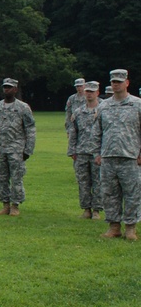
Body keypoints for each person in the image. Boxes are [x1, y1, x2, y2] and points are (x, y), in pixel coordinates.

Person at [86, 69, 141, 241]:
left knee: (132, 193)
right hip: (108, 157)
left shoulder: (137, 104)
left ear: (127, 83)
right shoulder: (104, 106)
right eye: (113, 82)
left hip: (131, 157)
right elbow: (96, 132)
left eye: (119, 81)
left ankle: (130, 228)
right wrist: (97, 153)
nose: (115, 84)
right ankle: (114, 226)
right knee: (109, 194)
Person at [0, 78, 36, 216]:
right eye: (5, 87)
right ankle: (5, 205)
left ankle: (15, 205)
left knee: (16, 178)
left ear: (15, 89)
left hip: (16, 149)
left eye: (9, 87)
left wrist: (28, 149)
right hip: (0, 149)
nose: (6, 89)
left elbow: (30, 129)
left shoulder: (23, 107)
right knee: (2, 178)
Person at [67, 81, 103, 220]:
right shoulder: (78, 112)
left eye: (92, 91)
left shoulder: (103, 109)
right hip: (81, 152)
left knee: (98, 182)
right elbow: (73, 132)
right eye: (87, 91)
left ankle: (97, 210)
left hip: (97, 153)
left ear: (97, 93)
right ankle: (86, 209)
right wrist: (72, 151)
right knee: (83, 182)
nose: (89, 94)